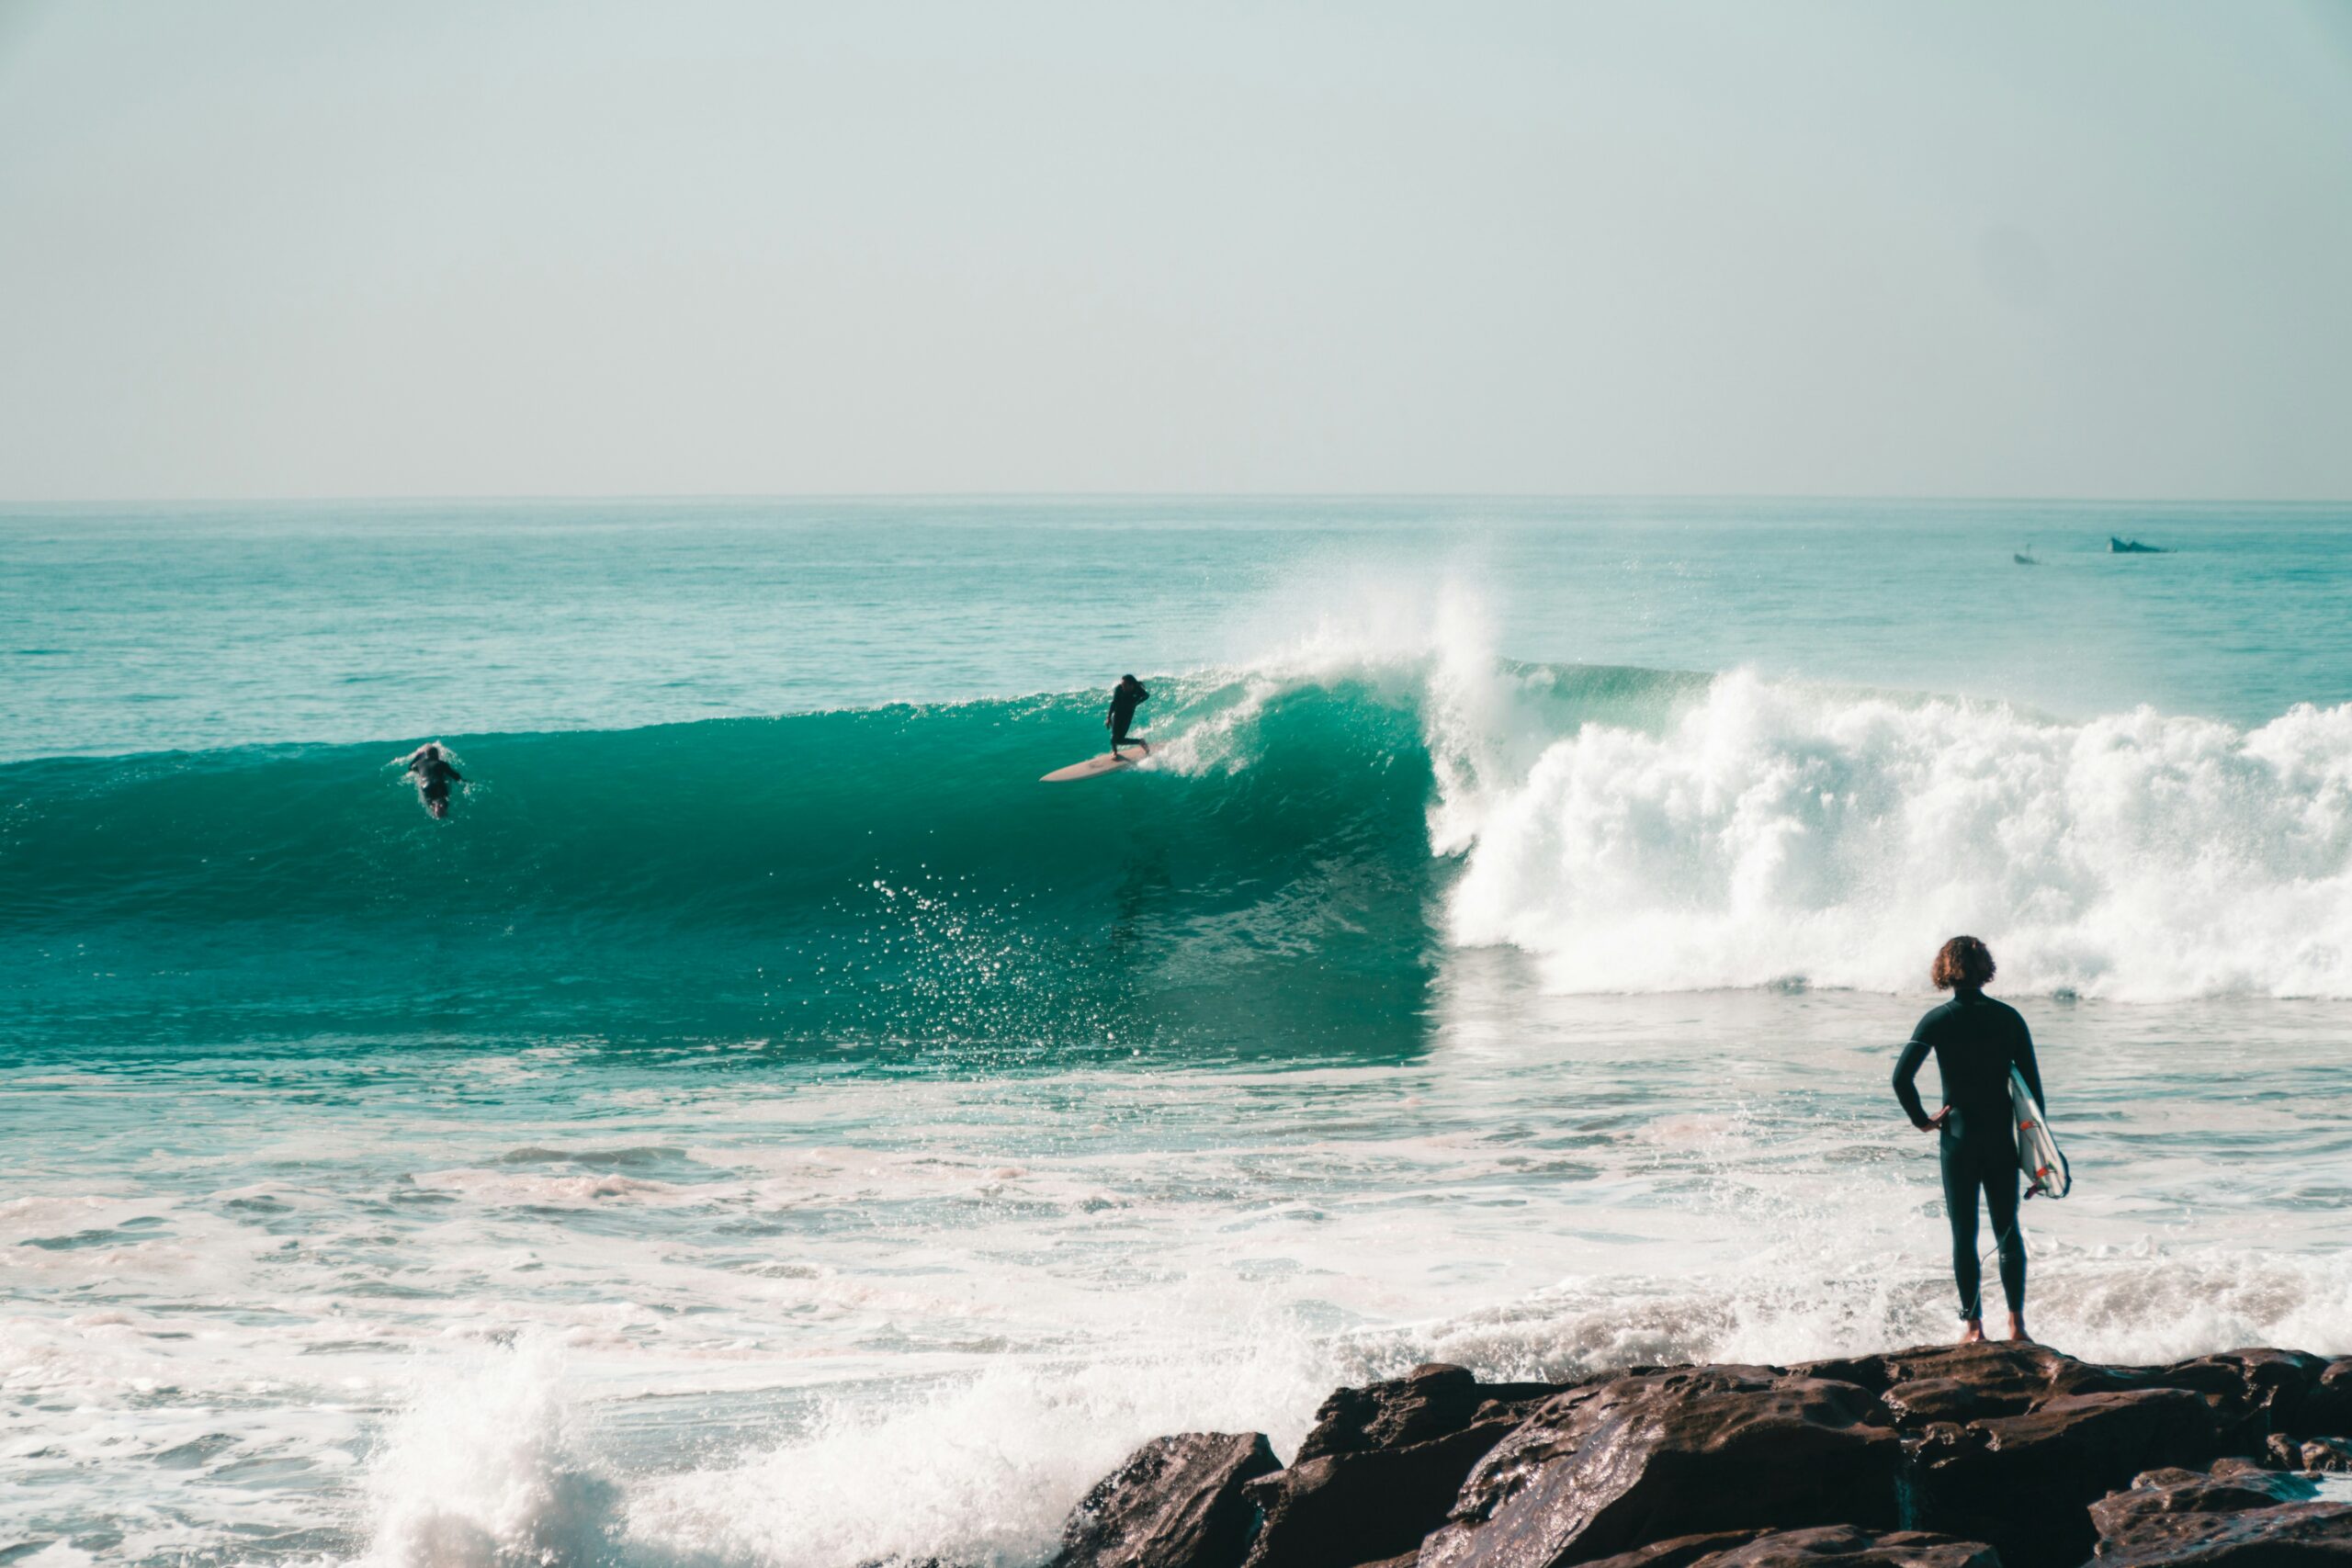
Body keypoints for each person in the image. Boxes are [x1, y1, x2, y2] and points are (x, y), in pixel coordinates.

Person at [1893, 935, 2045, 1345]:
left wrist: (1922, 1120)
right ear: (1985, 969)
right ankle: (2017, 1327)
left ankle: (1974, 1330)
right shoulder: (2010, 1018)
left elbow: (1900, 1078)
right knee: (2007, 1230)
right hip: (2000, 1139)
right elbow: (2033, 1096)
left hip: (1958, 1138)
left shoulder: (1937, 1020)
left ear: (1945, 968)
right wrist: (2039, 1159)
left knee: (1964, 1232)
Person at [397, 742, 464, 818]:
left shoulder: (419, 763)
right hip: (438, 783)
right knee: (442, 799)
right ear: (437, 755)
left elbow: (410, 767)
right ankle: (441, 807)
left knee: (431, 801)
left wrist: (418, 756)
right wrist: (463, 781)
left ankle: (436, 807)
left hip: (425, 785)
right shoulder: (441, 763)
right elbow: (454, 775)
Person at [1106, 674, 1149, 758]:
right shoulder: (1119, 689)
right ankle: (1115, 752)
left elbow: (1146, 696)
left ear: (1131, 685)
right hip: (1117, 713)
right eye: (1122, 684)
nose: (1123, 687)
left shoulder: (1137, 690)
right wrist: (1108, 717)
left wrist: (1137, 702)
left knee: (1120, 739)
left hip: (1128, 714)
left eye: (1125, 685)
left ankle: (1140, 741)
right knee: (1114, 738)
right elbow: (1113, 703)